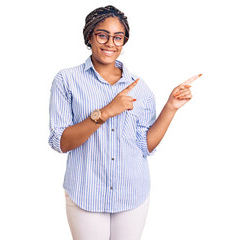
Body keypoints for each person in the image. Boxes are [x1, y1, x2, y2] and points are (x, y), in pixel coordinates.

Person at [48, 5, 201, 240]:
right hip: (86, 192)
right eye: (103, 35)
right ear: (89, 36)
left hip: (132, 193)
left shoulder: (140, 87)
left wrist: (171, 107)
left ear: (124, 41)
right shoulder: (67, 80)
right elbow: (62, 143)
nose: (110, 43)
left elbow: (145, 146)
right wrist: (106, 112)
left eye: (118, 37)